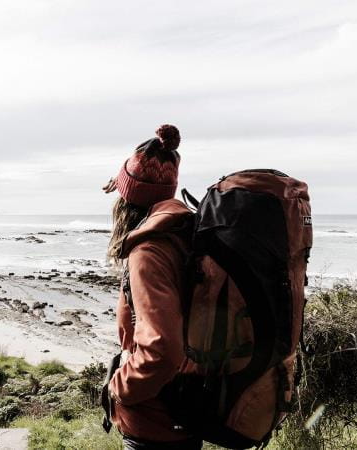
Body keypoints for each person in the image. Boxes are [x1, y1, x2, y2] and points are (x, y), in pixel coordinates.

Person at [102, 124, 201, 449]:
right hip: (184, 408)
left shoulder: (148, 252)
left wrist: (119, 387)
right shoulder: (184, 232)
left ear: (128, 200)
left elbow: (163, 349)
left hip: (154, 423)